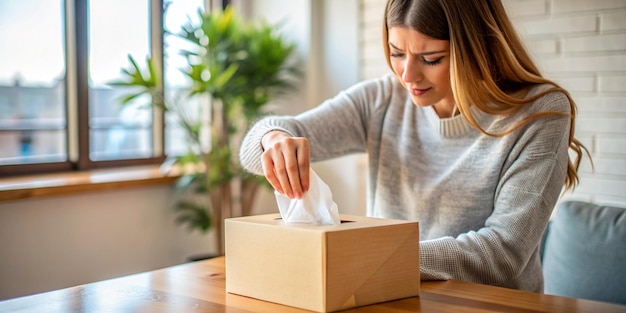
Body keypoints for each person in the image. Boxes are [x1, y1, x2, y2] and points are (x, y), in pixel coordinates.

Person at [238, 0, 588, 293]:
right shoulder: (382, 100)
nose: (407, 75)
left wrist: (370, 256)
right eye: (396, 52)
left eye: (431, 59)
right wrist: (274, 139)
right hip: (392, 297)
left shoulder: (539, 113)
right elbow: (252, 151)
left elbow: (503, 253)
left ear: (478, 48)